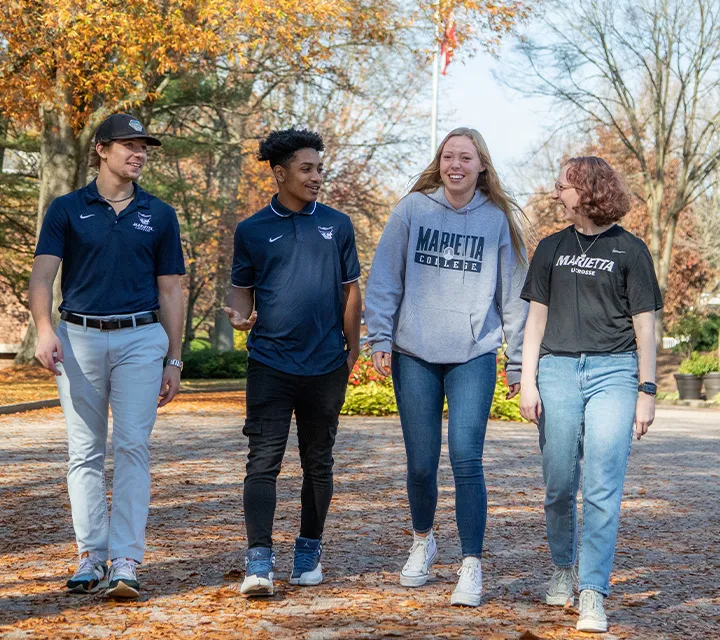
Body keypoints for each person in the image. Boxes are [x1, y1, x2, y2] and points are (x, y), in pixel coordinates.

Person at [364, 127, 529, 607]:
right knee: (420, 464)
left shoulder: (496, 220)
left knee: (465, 459)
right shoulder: (413, 209)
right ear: (440, 163)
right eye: (448, 156)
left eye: (466, 157)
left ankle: (471, 564)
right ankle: (422, 542)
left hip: (473, 354)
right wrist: (380, 335)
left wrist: (517, 364)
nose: (456, 164)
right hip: (414, 352)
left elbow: (513, 298)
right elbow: (384, 277)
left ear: (482, 166)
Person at [29, 113, 186, 599]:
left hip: (141, 338)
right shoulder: (67, 209)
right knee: (85, 452)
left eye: (143, 147)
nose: (138, 154)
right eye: (128, 145)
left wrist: (174, 357)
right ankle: (90, 555)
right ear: (100, 149)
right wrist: (42, 331)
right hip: (79, 339)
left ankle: (125, 560)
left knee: (133, 447)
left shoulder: (159, 213)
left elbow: (171, 288)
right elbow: (42, 276)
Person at [519, 156, 663, 633]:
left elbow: (646, 326)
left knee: (602, 484)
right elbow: (535, 319)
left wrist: (647, 390)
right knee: (559, 482)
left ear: (586, 190)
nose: (556, 193)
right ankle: (564, 566)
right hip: (557, 368)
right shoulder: (551, 247)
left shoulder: (630, 249)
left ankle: (593, 592)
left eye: (562, 186)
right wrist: (528, 380)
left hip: (615, 372)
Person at [224, 128, 361, 597]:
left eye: (320, 168)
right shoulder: (251, 229)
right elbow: (241, 289)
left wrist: (353, 349)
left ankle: (309, 549)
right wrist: (240, 318)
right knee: (262, 462)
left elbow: (350, 291)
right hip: (269, 363)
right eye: (307, 169)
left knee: (318, 462)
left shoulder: (338, 225)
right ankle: (258, 559)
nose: (317, 176)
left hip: (326, 365)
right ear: (280, 173)